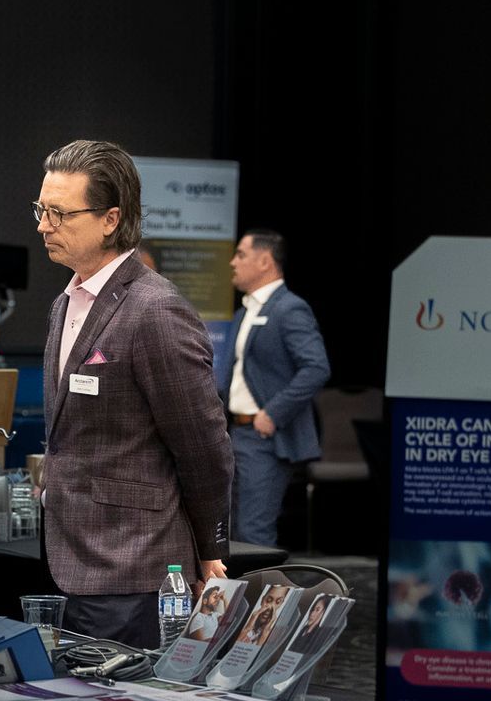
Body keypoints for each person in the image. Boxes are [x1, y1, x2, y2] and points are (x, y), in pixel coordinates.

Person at [37, 139, 233, 649]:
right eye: (41, 210)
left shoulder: (154, 311)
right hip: (72, 558)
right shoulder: (65, 303)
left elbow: (202, 443)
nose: (43, 226)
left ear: (110, 219)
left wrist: (209, 545)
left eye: (59, 214)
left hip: (136, 568)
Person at [215, 230, 330, 547]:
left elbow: (317, 367)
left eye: (241, 254)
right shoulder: (244, 312)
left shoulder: (289, 309)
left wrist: (274, 413)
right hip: (234, 434)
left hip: (264, 437)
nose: (232, 262)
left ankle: (258, 599)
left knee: (253, 533)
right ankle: (234, 599)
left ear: (265, 261)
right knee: (229, 533)